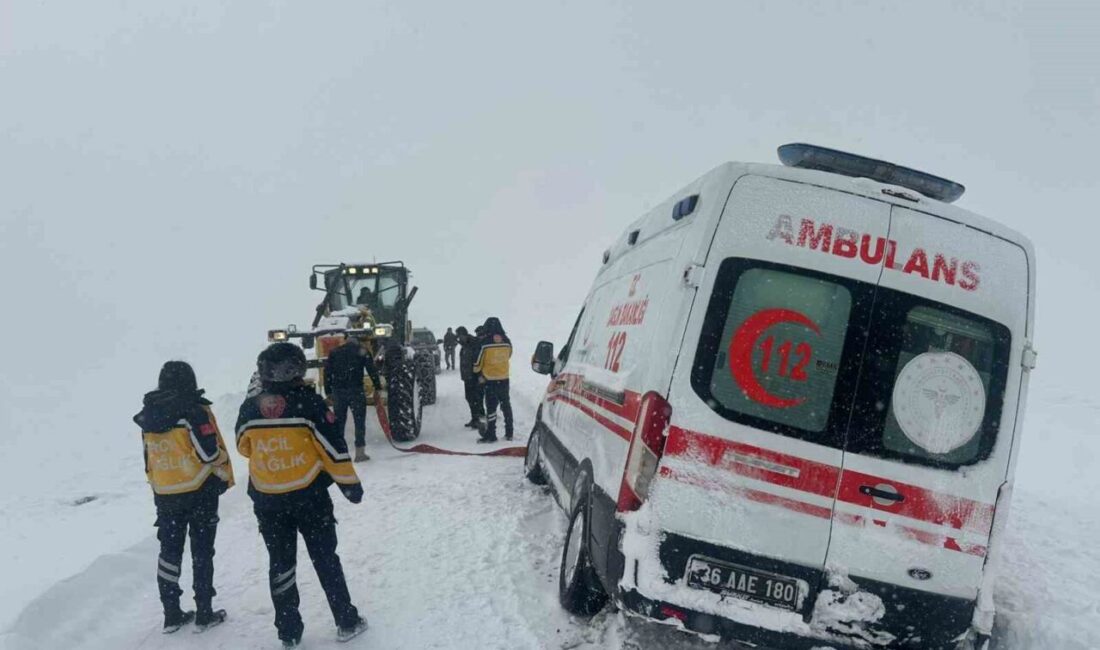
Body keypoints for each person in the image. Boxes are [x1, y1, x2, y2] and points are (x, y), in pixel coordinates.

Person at [237, 343, 368, 648]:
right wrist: (350, 485)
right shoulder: (311, 404)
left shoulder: (249, 408)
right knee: (325, 559)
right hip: (309, 498)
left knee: (280, 564)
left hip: (268, 501)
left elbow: (244, 445)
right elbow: (333, 449)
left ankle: (289, 632)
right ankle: (346, 621)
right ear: (298, 370)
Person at [134, 361, 234, 634]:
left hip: (165, 493)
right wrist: (222, 463)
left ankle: (171, 614)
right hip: (199, 490)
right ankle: (204, 612)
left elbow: (147, 456)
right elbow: (209, 453)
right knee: (202, 551)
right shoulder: (193, 411)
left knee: (169, 553)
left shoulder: (148, 415)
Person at [323, 336, 384, 463]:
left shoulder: (334, 352)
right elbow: (371, 370)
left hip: (338, 392)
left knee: (339, 423)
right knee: (359, 421)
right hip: (356, 390)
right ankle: (360, 453)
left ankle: (339, 452)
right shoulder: (362, 351)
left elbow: (327, 372)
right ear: (357, 342)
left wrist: (328, 391)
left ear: (346, 341)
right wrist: (377, 387)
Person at [474, 317, 514, 442]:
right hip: (504, 378)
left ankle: (491, 434)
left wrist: (477, 371)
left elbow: (478, 362)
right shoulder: (507, 342)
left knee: (491, 408)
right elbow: (509, 355)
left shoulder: (485, 343)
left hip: (490, 380)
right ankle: (509, 432)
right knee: (506, 405)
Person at [457, 326, 483, 429]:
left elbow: (477, 360)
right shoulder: (465, 345)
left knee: (475, 398)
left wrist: (478, 375)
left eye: (459, 336)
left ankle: (477, 420)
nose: (459, 338)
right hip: (467, 377)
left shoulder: (473, 344)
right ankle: (475, 419)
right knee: (469, 398)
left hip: (474, 376)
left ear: (464, 335)